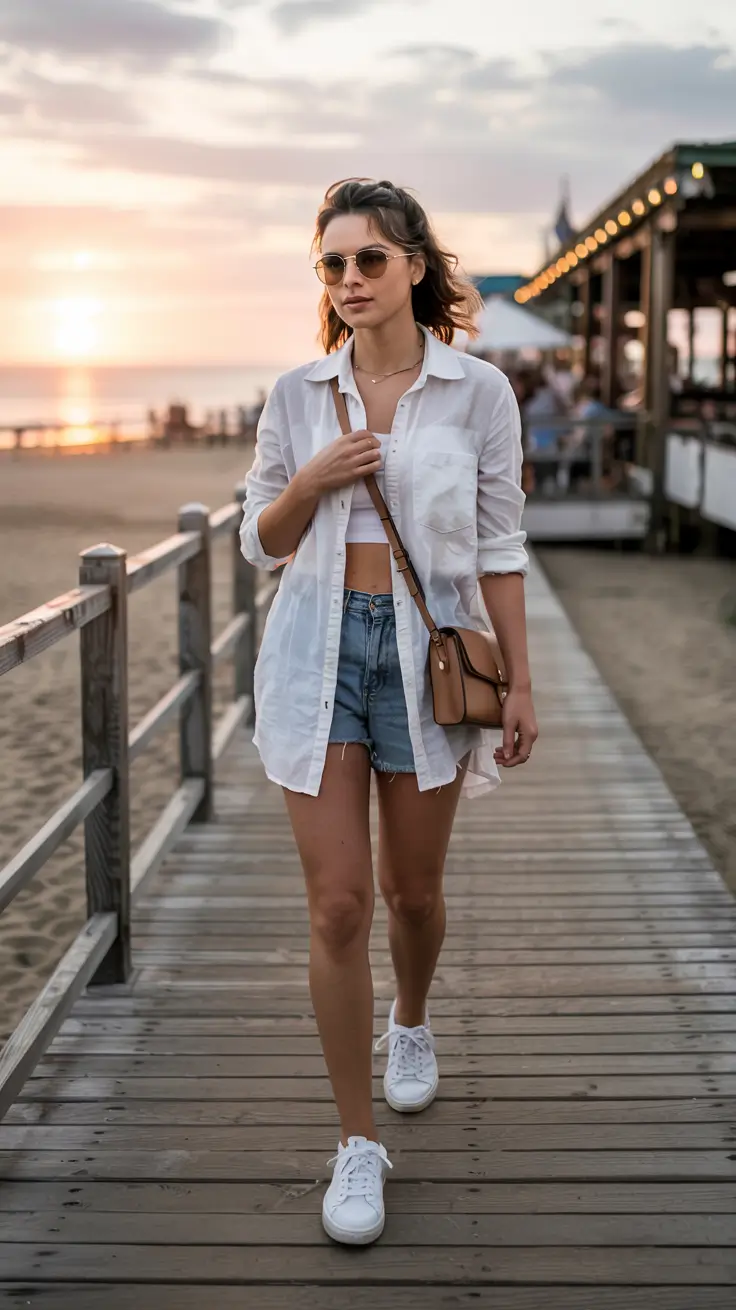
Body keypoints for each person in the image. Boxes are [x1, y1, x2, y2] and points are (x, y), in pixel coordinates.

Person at [240, 177, 537, 1246]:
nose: (351, 279)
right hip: (316, 657)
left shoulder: (477, 394)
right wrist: (312, 478)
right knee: (337, 908)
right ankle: (357, 1142)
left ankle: (410, 1022)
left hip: (427, 663)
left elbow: (499, 548)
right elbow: (259, 540)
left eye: (370, 258)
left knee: (413, 895)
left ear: (416, 263)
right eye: (332, 263)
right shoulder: (294, 396)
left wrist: (523, 681)